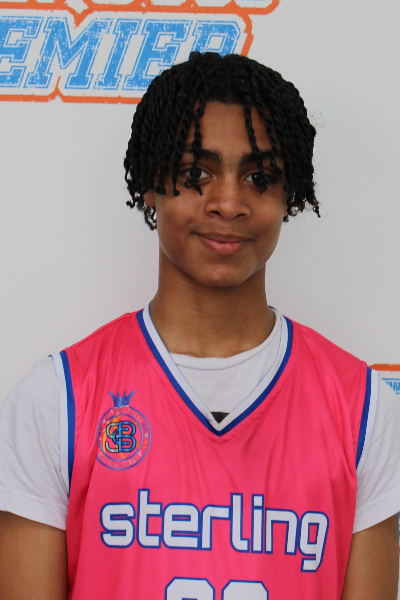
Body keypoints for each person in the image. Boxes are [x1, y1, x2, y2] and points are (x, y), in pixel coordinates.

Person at [0, 52, 399, 600]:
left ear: (288, 195)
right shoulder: (57, 399)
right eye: (196, 174)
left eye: (259, 177)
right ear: (151, 184)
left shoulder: (364, 410)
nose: (228, 203)